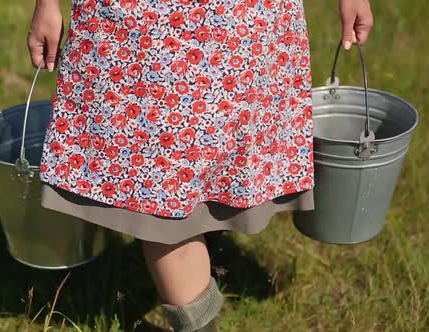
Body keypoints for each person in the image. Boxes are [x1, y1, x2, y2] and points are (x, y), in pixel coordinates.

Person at [27, 0, 373, 330]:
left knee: (195, 169)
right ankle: (196, 307)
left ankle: (201, 247)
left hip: (240, 24)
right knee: (161, 195)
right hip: (145, 29)